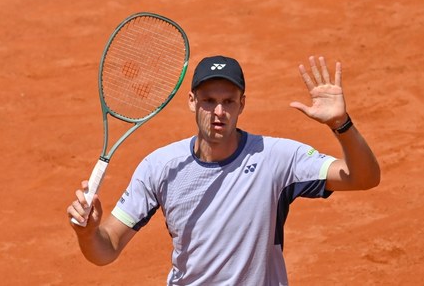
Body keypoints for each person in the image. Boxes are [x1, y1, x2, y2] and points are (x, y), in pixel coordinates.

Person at [67, 55, 381, 285]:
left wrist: (341, 124)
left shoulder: (277, 158)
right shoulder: (160, 167)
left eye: (229, 101)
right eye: (208, 101)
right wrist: (87, 233)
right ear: (191, 101)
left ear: (242, 104)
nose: (219, 112)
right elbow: (106, 249)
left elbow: (364, 178)